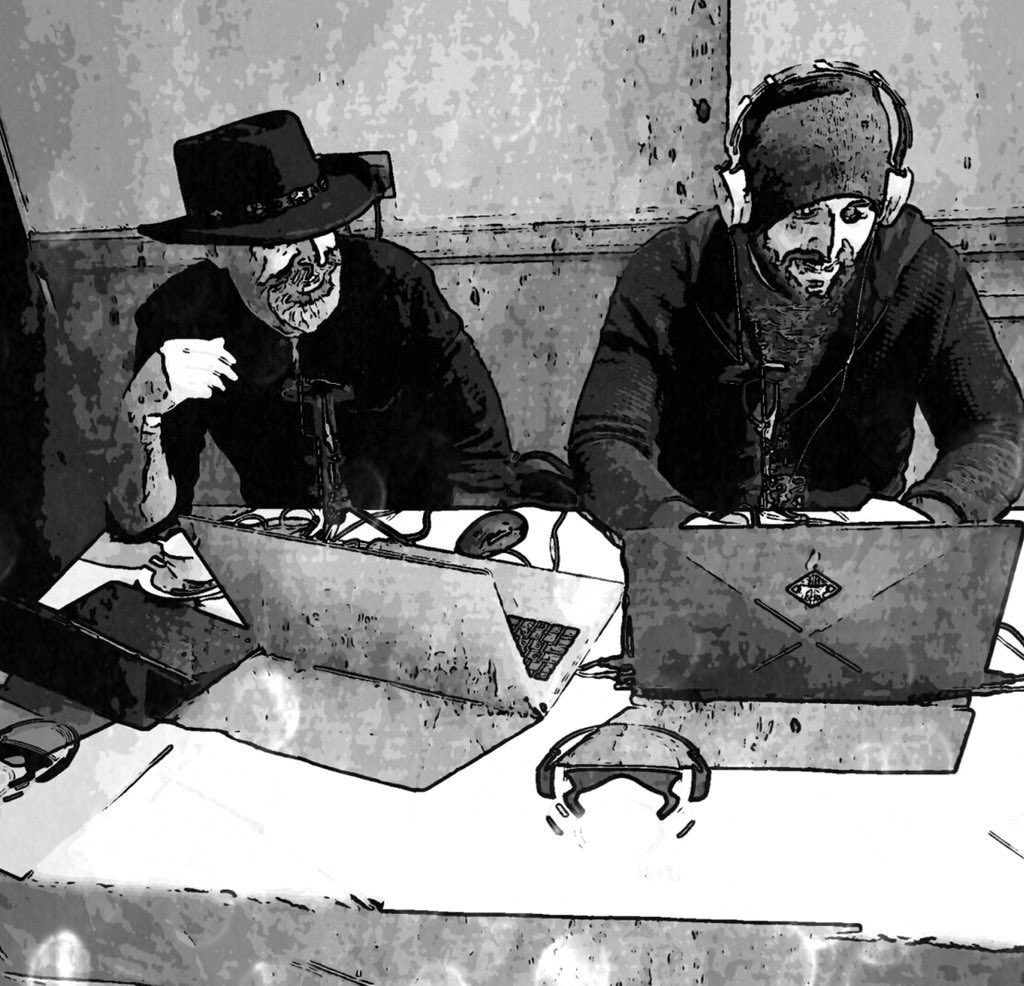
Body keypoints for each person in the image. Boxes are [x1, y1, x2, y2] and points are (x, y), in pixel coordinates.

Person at [570, 61, 1024, 529]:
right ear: (744, 204)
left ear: (887, 203)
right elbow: (606, 436)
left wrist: (928, 519)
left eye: (855, 214)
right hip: (701, 541)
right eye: (805, 216)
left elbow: (998, 428)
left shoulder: (921, 268)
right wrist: (678, 526)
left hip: (869, 550)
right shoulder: (672, 270)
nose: (829, 246)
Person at [108, 110, 513, 538]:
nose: (316, 259)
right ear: (216, 250)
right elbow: (143, 524)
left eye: (322, 229)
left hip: (420, 532)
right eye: (281, 242)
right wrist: (141, 411)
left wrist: (452, 546)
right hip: (281, 544)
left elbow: (482, 453)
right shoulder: (181, 318)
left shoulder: (396, 284)